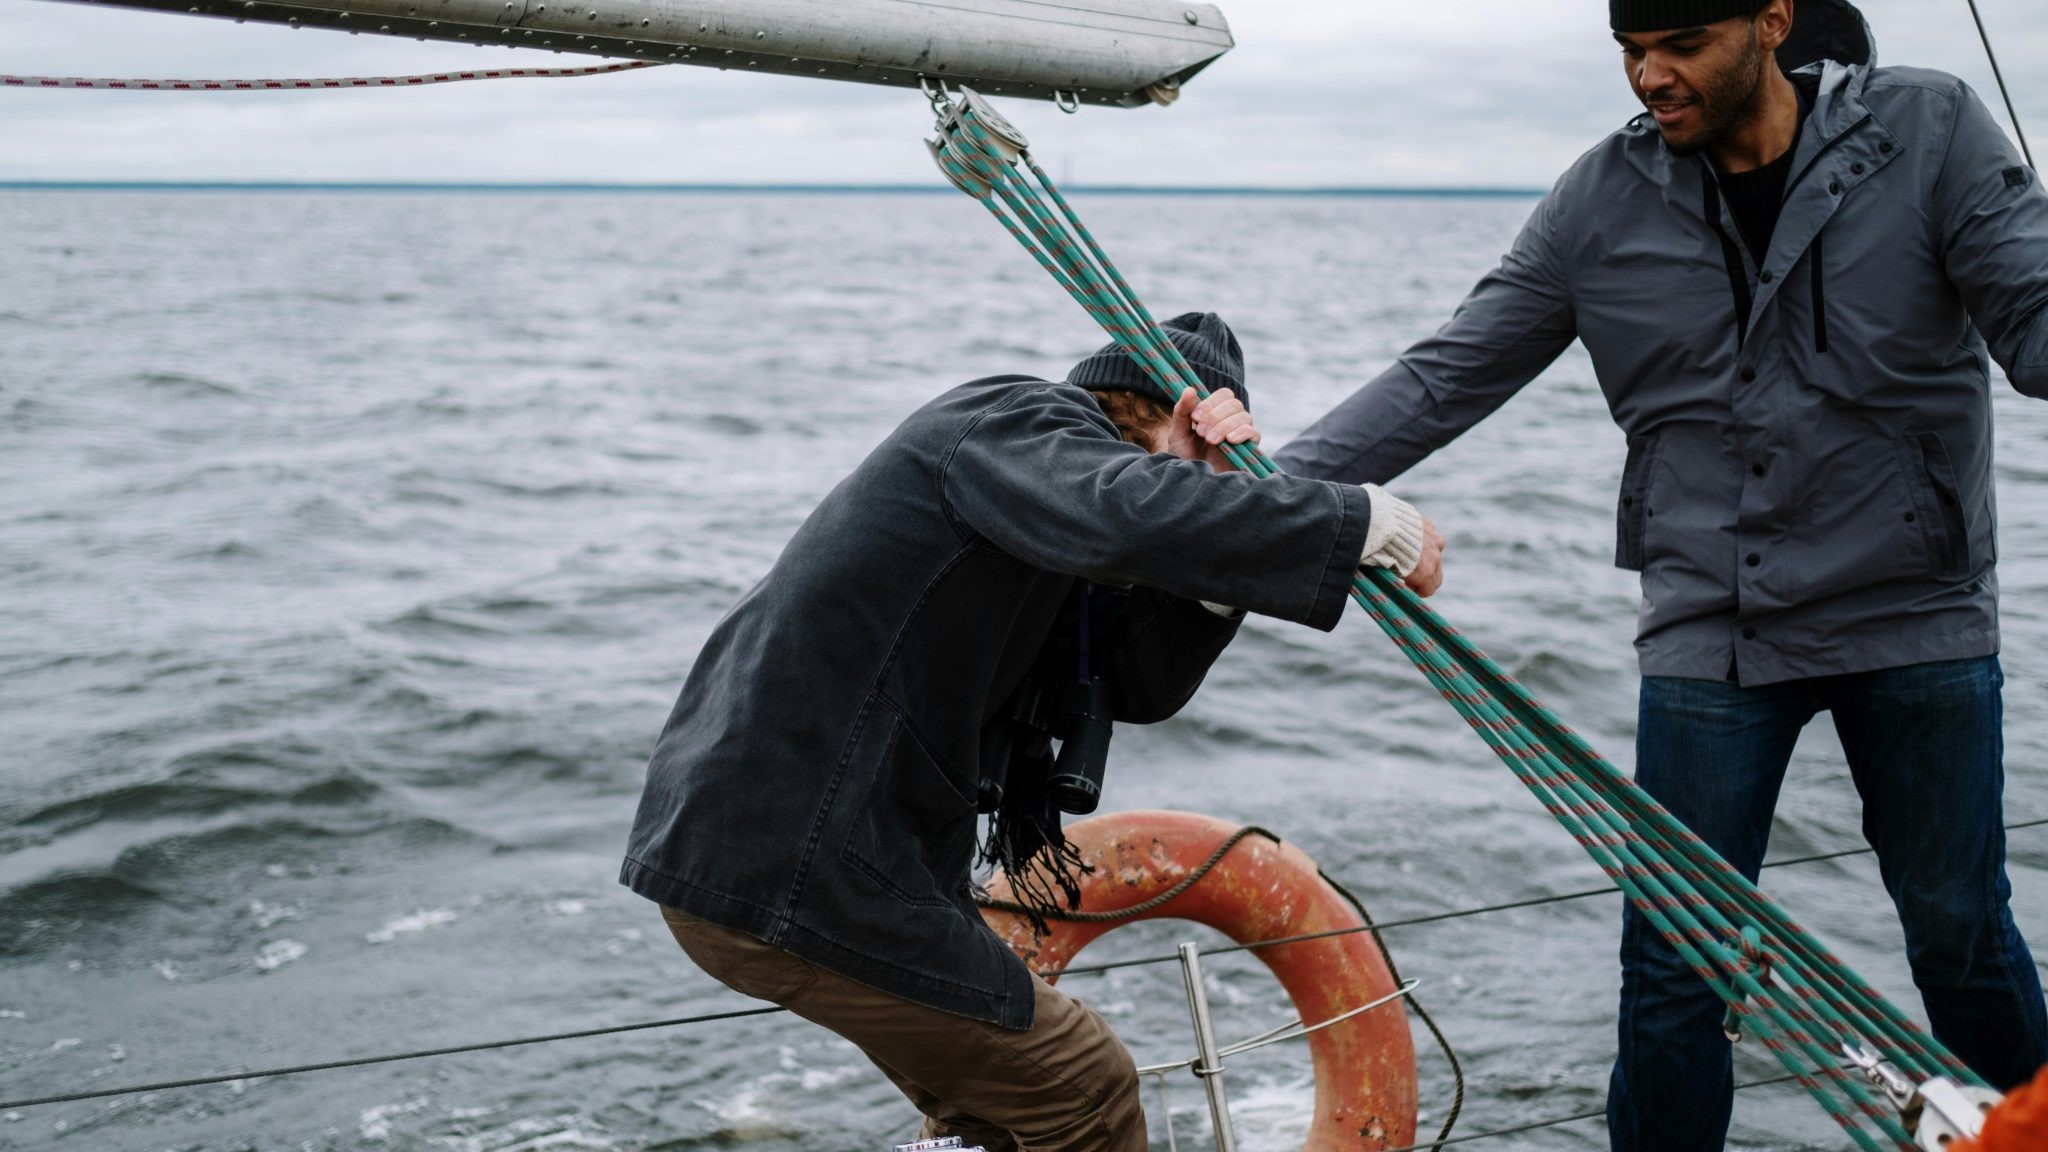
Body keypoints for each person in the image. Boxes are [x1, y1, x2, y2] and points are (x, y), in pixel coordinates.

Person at [1271, 2, 2048, 1149]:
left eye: (1677, 45)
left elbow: (2033, 325)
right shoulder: (1601, 198)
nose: (1648, 76)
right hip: (1712, 625)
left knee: (1955, 933)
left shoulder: (1925, 130)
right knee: (1676, 962)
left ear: (1769, 20)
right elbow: (1440, 377)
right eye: (1630, 52)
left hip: (1915, 608)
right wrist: (1253, 501)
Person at [621, 312, 1444, 1152]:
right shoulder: (1009, 422)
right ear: (1169, 409)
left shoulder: (1050, 530)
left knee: (993, 1112)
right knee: (1081, 1084)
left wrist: (1213, 560)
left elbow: (1138, 682)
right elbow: (1125, 510)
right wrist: (1358, 521)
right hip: (791, 860)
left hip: (804, 859)